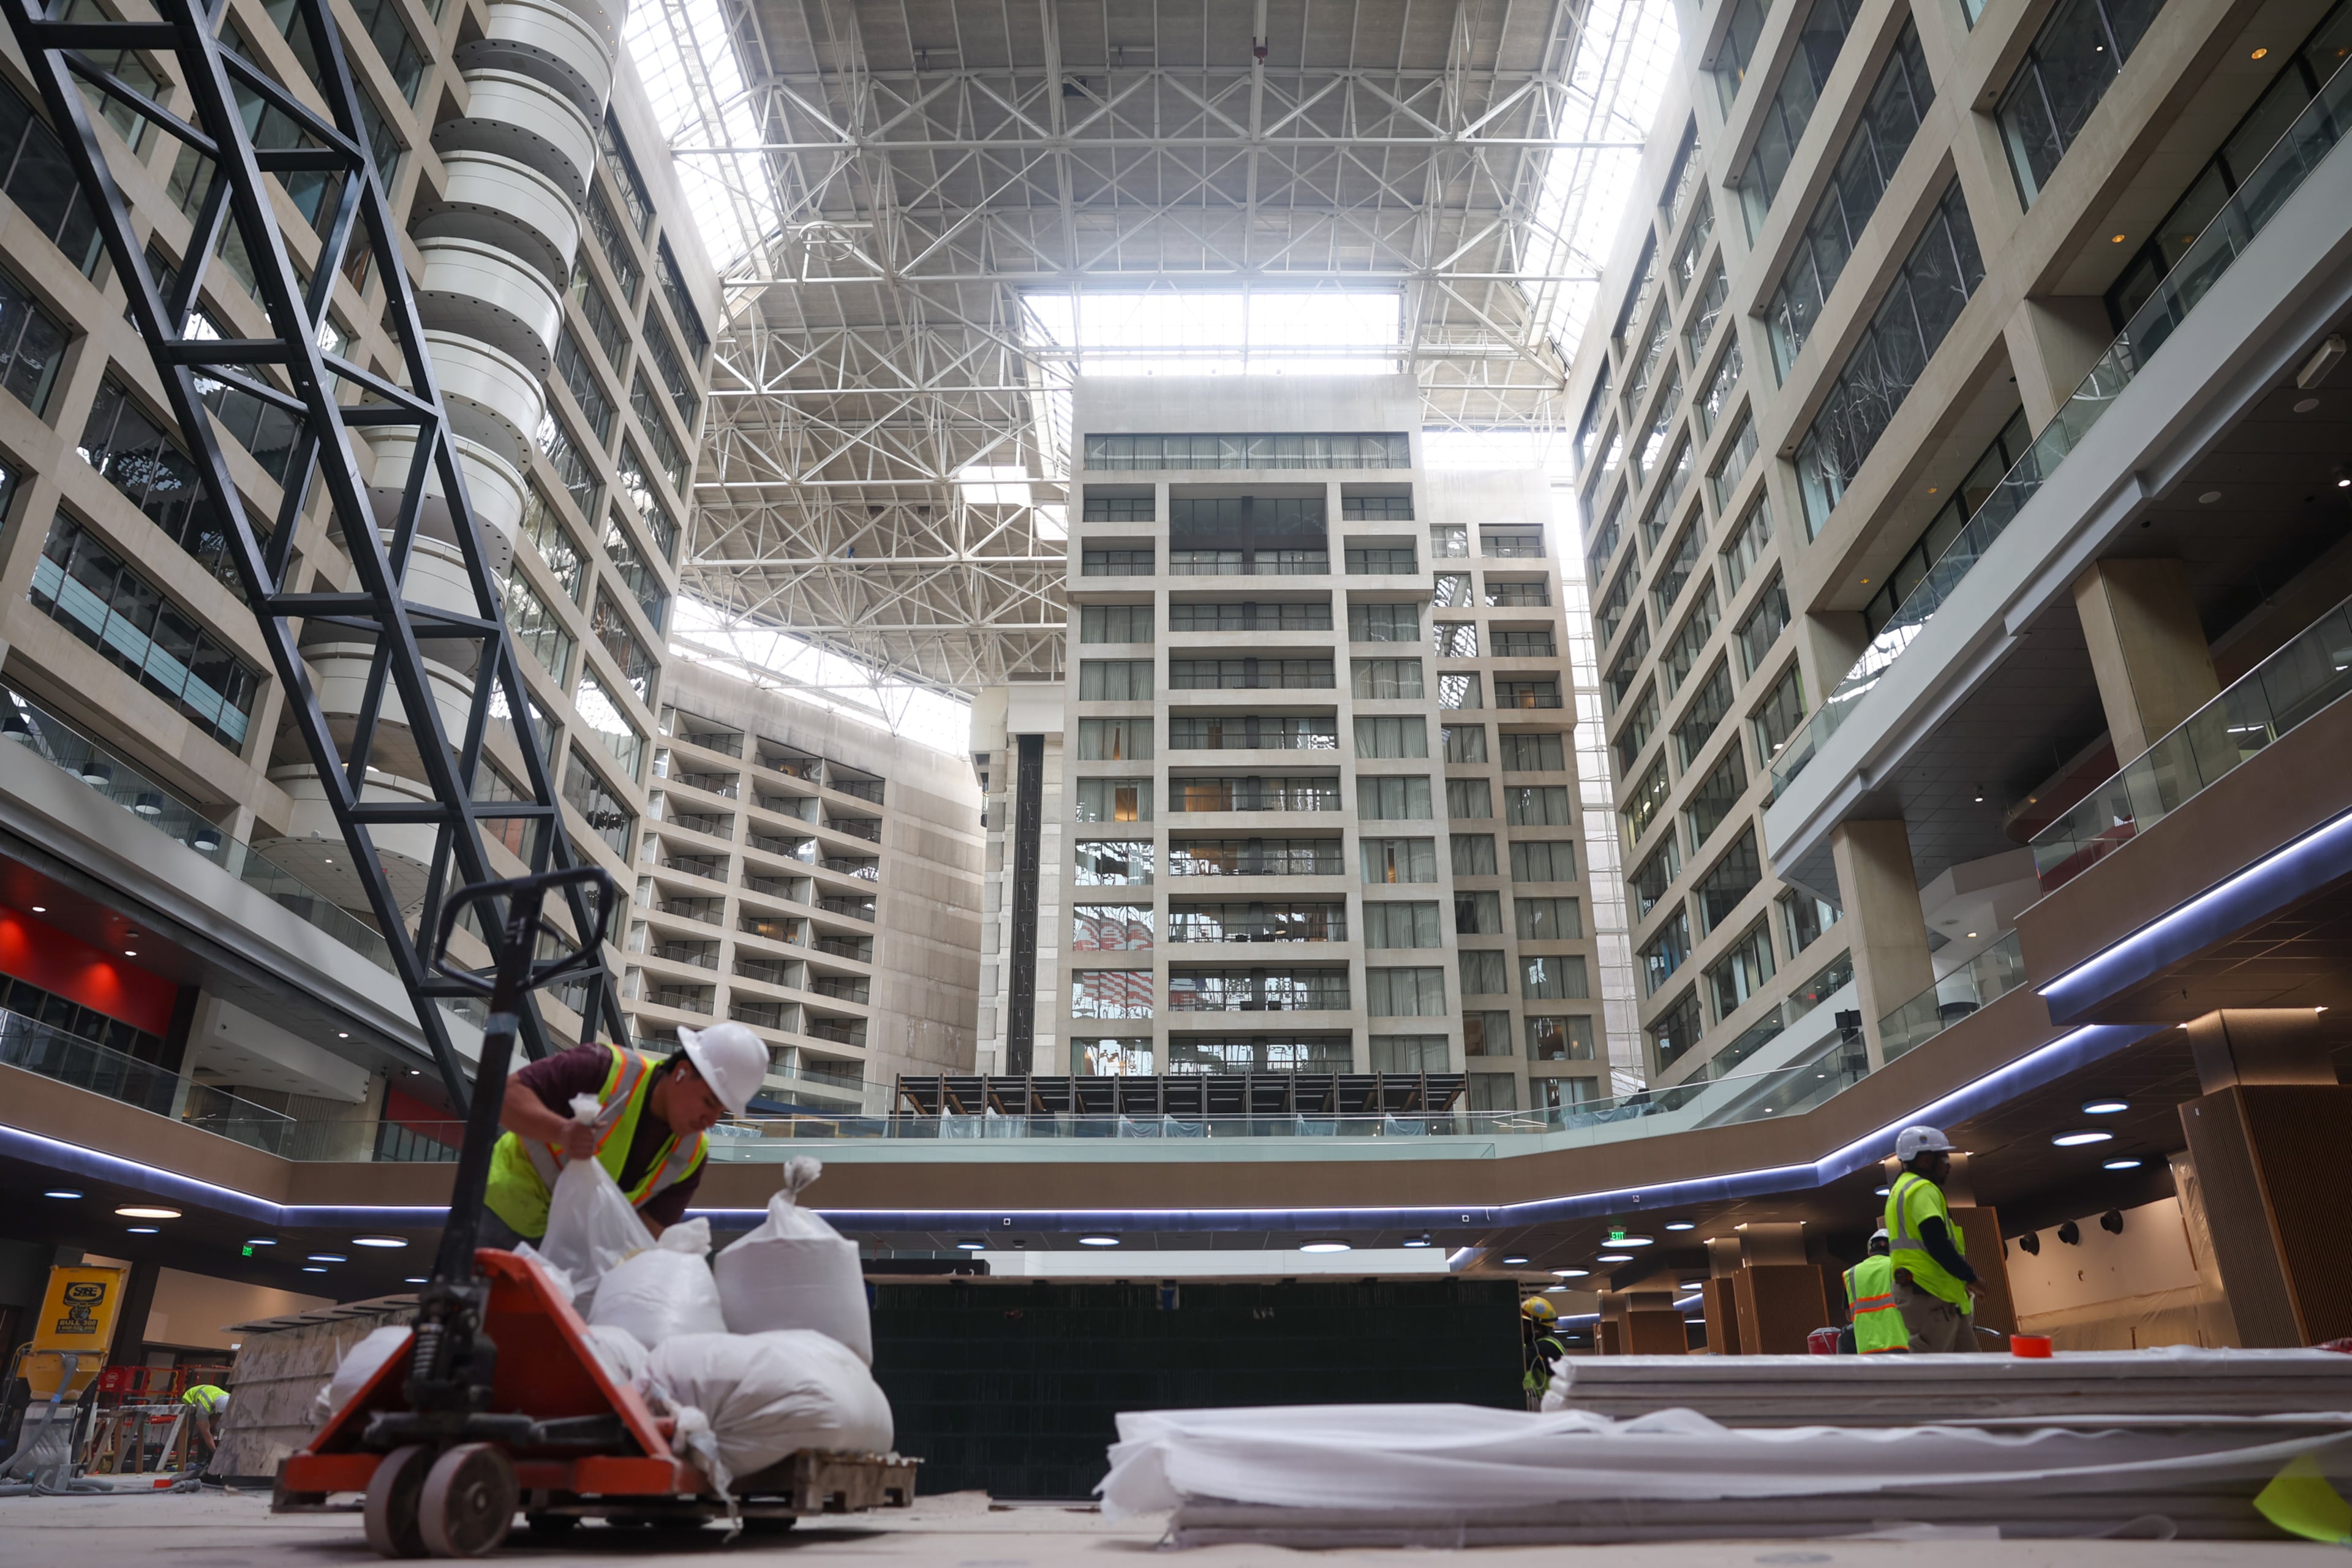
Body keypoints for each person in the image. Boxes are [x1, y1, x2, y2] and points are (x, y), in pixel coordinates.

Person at [480, 1023, 767, 1249]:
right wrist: (561, 1132)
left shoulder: (691, 1156)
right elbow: (503, 1097)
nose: (711, 1120)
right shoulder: (602, 1068)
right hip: (498, 1215)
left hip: (572, 1252)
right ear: (682, 1072)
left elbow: (642, 1238)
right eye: (709, 1102)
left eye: (722, 1111)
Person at [1883, 1125, 1980, 1352]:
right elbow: (1936, 1242)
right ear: (1926, 1161)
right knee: (1934, 1373)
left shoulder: (1899, 1190)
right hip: (1930, 1296)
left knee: (1972, 1370)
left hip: (1936, 1296)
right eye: (1944, 1159)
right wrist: (1970, 1277)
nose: (1948, 1165)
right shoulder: (1922, 1190)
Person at [1842, 1229, 1908, 1355]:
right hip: (1901, 1343)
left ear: (1869, 1251)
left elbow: (1849, 1316)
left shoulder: (1851, 1274)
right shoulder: (1899, 1267)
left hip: (1866, 1348)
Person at [1521, 1296, 1566, 1406]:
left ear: (1536, 1328)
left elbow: (1519, 1361)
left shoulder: (1546, 1347)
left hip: (1556, 1410)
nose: (1520, 1328)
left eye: (1524, 1324)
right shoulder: (1539, 1346)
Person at [181, 1382, 228, 1468]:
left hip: (211, 1399)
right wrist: (215, 1451)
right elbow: (205, 1432)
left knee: (212, 1429)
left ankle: (208, 1461)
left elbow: (215, 1423)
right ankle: (185, 1461)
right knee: (189, 1432)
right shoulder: (204, 1406)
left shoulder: (229, 1399)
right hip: (191, 1400)